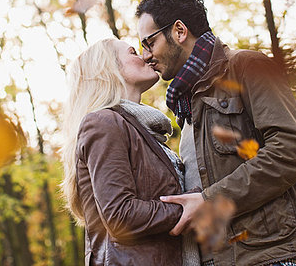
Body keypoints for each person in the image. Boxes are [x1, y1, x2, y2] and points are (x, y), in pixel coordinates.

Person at [136, 0, 296, 266]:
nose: (145, 56)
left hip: (266, 255)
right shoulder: (187, 104)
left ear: (178, 31)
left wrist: (209, 200)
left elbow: (292, 148)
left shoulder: (247, 66)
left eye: (148, 42)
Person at [61, 38, 200, 266]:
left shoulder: (143, 132)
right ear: (109, 68)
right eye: (133, 52)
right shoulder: (104, 122)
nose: (146, 56)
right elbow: (120, 216)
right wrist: (190, 206)